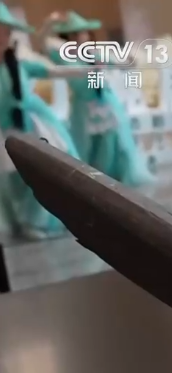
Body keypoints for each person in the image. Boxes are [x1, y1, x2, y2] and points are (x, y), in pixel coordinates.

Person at [0, 3, 102, 239]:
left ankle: (41, 219)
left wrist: (87, 71)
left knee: (44, 168)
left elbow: (53, 71)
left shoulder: (19, 63)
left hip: (32, 122)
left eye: (6, 31)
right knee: (13, 177)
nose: (4, 37)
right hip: (5, 127)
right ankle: (22, 221)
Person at [35, 11, 155, 187]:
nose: (80, 37)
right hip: (83, 106)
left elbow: (121, 63)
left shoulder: (93, 53)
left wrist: (130, 59)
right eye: (74, 34)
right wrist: (50, 22)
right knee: (88, 147)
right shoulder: (61, 54)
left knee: (114, 142)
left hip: (105, 102)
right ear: (67, 37)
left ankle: (115, 182)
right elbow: (41, 42)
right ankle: (95, 184)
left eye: (82, 33)